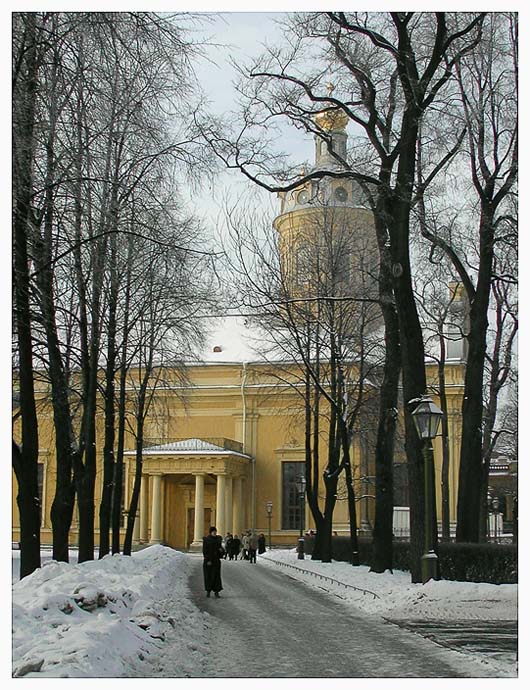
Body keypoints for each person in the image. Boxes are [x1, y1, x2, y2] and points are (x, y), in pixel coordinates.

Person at [202, 526, 224, 598]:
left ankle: (216, 592)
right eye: (213, 531)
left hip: (216, 561)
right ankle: (208, 591)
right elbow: (205, 551)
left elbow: (220, 550)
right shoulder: (207, 540)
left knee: (216, 577)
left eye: (215, 531)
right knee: (208, 576)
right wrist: (208, 560)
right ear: (210, 532)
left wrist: (221, 551)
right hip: (208, 561)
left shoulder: (218, 540)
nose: (214, 533)